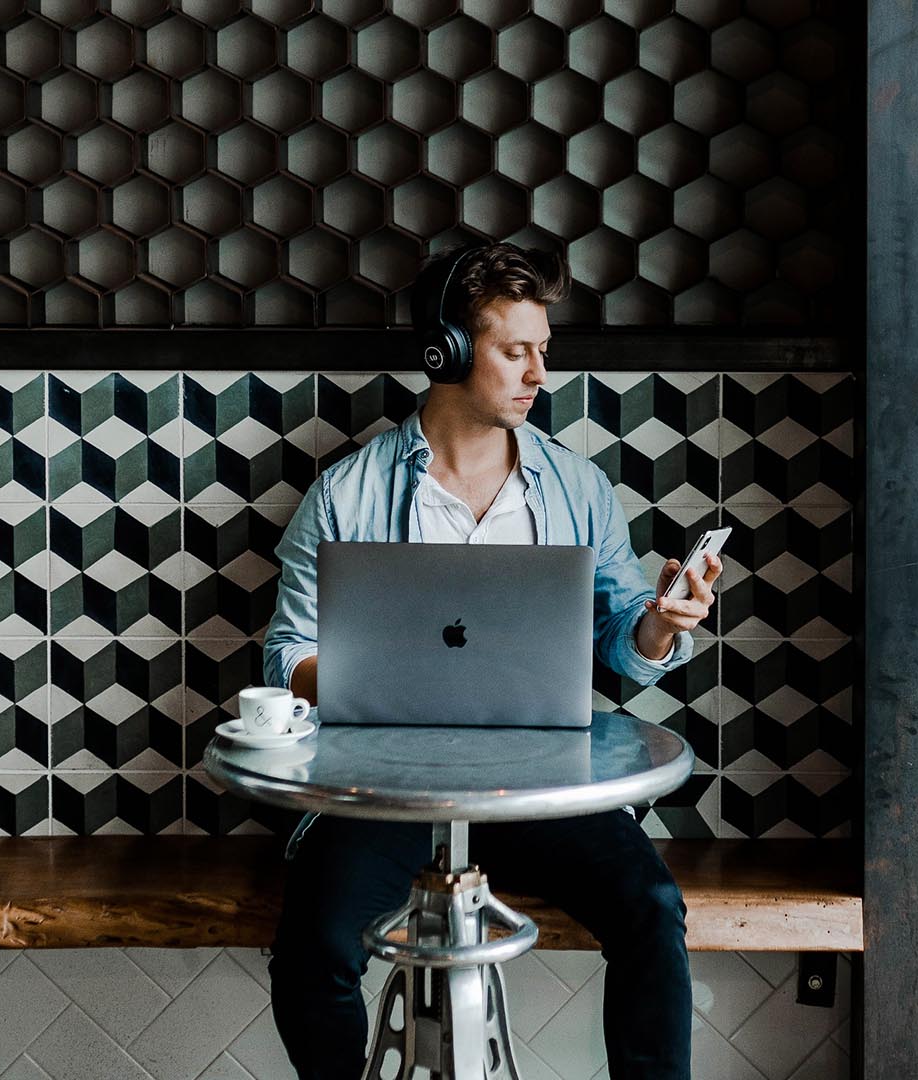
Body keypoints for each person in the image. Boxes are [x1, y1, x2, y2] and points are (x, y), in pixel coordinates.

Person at [260, 241, 721, 1080]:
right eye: (516, 350)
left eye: (544, 350)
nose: (539, 372)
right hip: (385, 794)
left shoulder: (578, 488)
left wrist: (661, 623)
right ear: (450, 351)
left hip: (546, 787)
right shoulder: (347, 492)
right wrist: (374, 683)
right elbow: (286, 654)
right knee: (313, 949)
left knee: (653, 909)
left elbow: (623, 638)